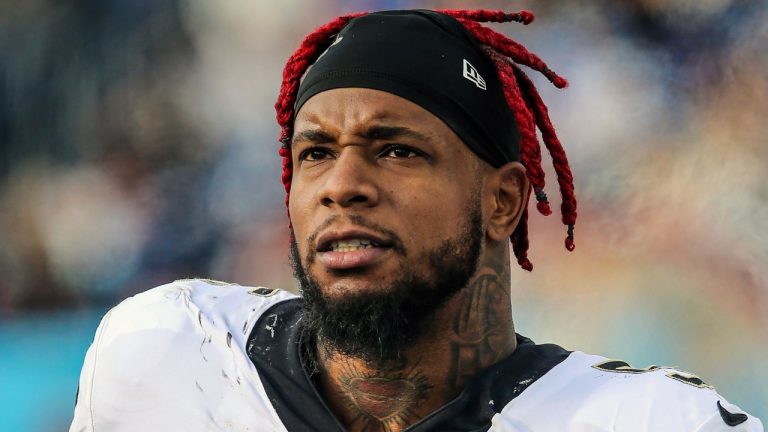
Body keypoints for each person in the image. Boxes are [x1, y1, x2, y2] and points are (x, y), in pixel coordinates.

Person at [70, 9, 763, 432]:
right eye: (314, 153)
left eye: (397, 150)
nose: (342, 187)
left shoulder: (648, 424)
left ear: (504, 201)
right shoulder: (164, 352)